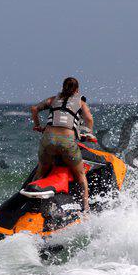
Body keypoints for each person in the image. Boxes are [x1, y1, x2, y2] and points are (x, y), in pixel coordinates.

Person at [30, 77, 94, 212]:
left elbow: (34, 109)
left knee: (40, 172)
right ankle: (86, 208)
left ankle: (30, 204)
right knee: (81, 175)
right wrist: (89, 133)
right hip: (67, 143)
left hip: (48, 141)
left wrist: (37, 126)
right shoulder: (81, 102)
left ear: (63, 88)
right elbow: (89, 119)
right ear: (77, 90)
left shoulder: (53, 100)